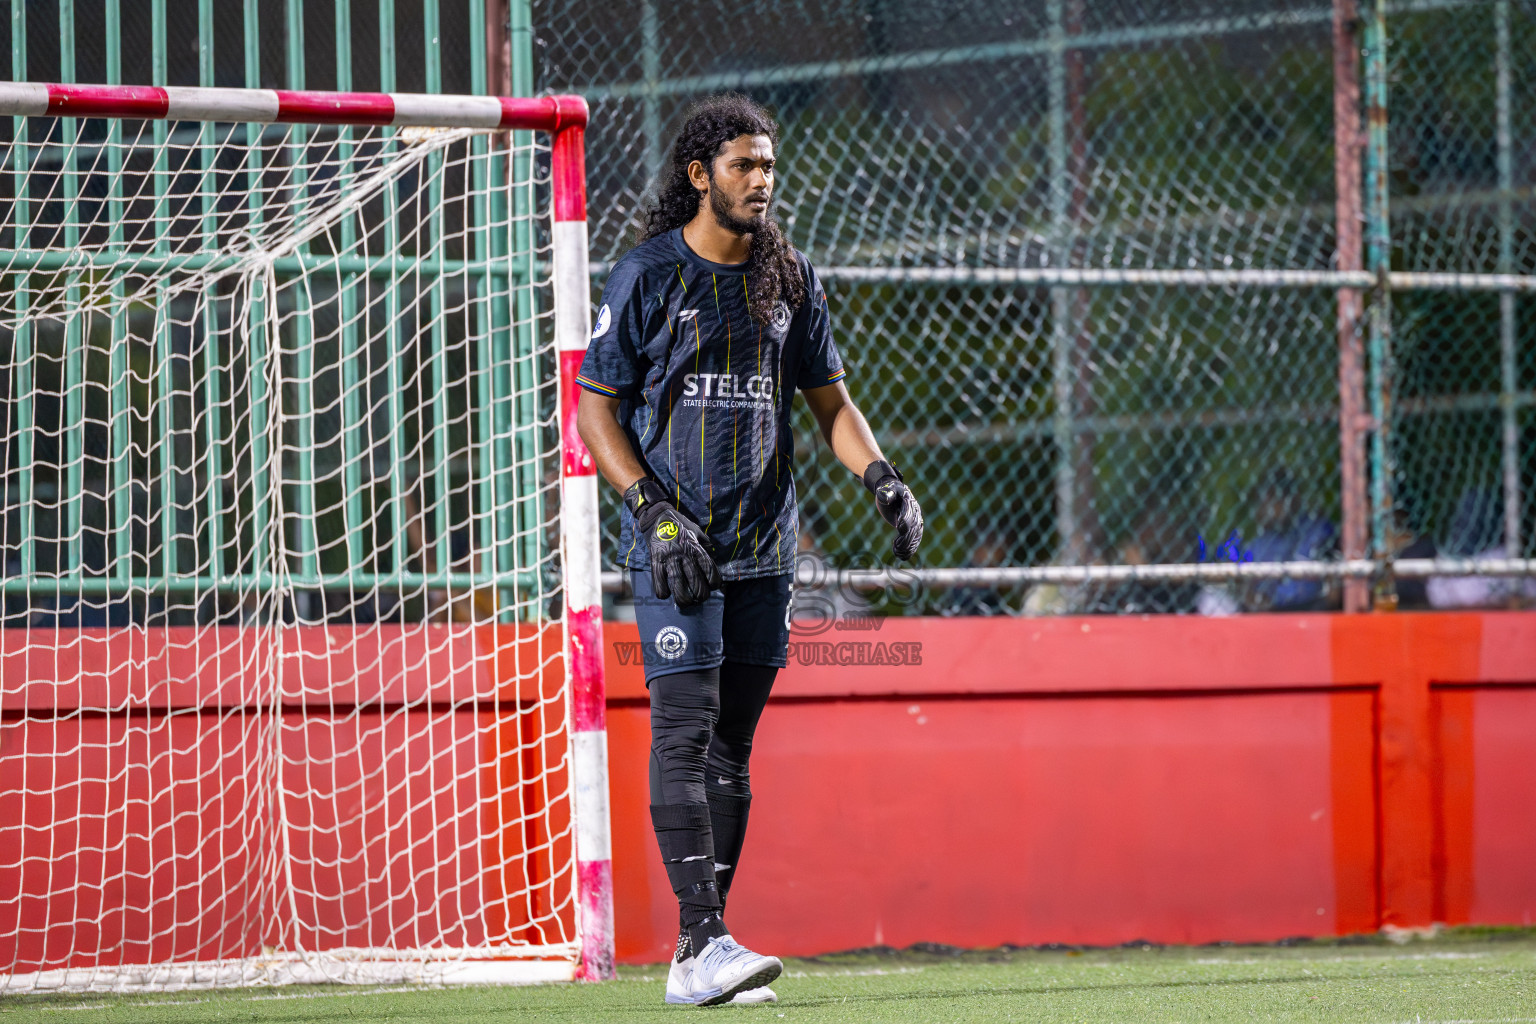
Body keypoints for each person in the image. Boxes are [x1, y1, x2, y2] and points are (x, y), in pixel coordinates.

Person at [575, 93, 924, 1007]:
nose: (761, 180)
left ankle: (701, 954)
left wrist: (882, 477)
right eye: (744, 165)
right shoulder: (648, 275)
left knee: (732, 747)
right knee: (684, 729)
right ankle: (703, 938)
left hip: (765, 551)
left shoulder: (791, 278)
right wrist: (651, 510)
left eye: (768, 165)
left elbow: (831, 404)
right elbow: (595, 412)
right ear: (701, 175)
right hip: (676, 547)